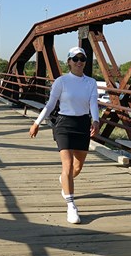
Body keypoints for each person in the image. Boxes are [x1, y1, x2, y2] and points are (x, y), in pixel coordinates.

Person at [29, 46, 100, 224]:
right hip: (64, 124)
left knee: (77, 167)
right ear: (68, 62)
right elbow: (51, 104)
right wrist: (37, 122)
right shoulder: (61, 81)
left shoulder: (90, 82)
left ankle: (63, 180)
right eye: (75, 59)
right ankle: (71, 206)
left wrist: (96, 121)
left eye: (82, 59)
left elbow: (93, 104)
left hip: (82, 123)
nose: (79, 62)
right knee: (67, 165)